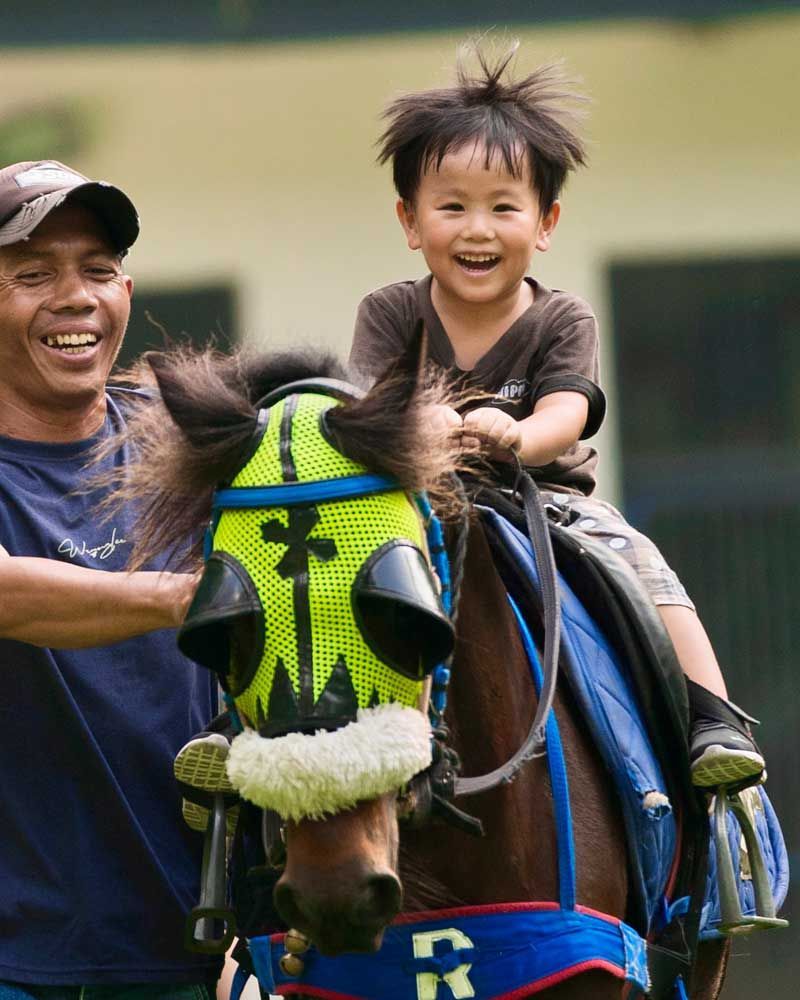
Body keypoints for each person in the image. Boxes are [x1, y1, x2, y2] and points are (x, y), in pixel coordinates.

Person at [347, 47, 765, 790]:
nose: (478, 229)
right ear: (410, 221)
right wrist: (417, 425)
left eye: (503, 207)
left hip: (546, 501)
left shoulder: (563, 318)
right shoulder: (388, 313)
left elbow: (567, 414)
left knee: (636, 559)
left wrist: (518, 435)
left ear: (545, 222)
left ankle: (712, 718)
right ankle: (245, 727)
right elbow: (373, 410)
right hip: (415, 501)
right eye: (452, 207)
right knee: (313, 565)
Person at [0, 160, 222, 998]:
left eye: (97, 270)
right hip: (20, 961)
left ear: (126, 290)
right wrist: (185, 597)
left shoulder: (182, 443)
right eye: (32, 275)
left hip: (195, 948)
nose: (76, 297)